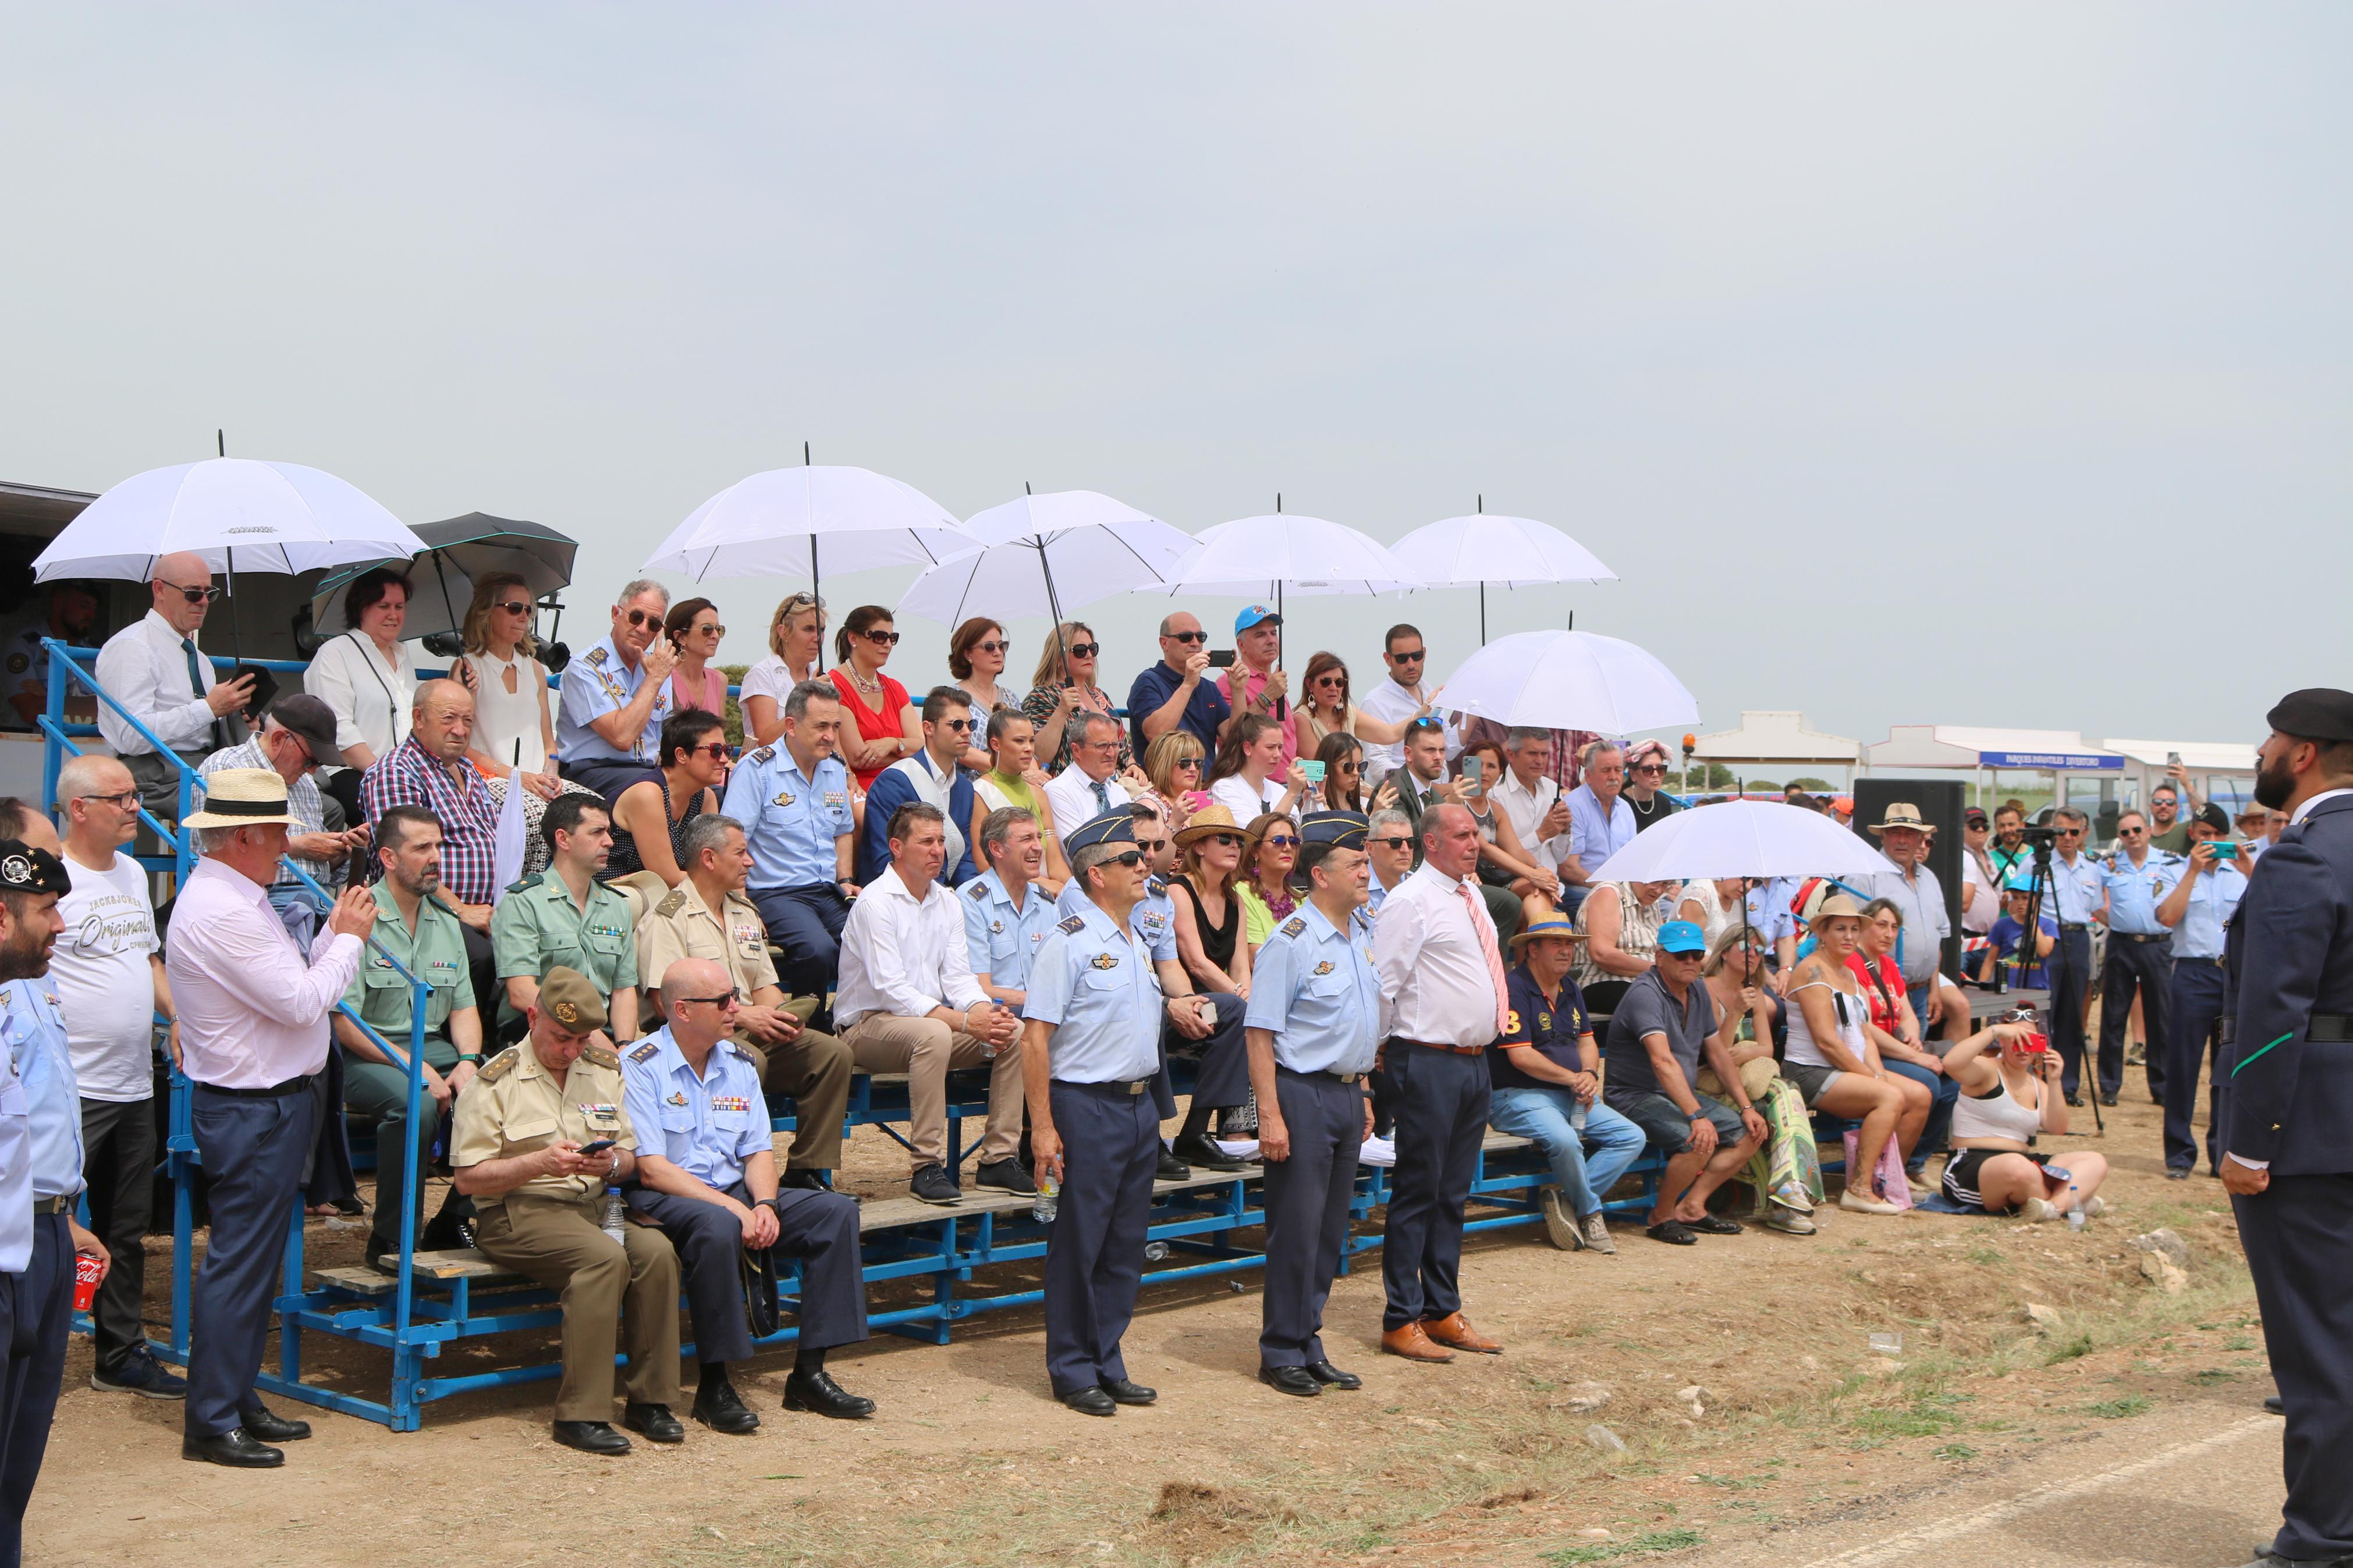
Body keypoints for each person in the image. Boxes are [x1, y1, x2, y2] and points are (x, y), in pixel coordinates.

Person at [166, 769, 377, 1467]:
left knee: (249, 1265)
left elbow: (290, 994)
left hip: (264, 1101)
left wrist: (332, 944)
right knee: (240, 1264)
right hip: (255, 1106)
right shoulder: (226, 909)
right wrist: (345, 939)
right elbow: (297, 1003)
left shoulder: (232, 896)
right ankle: (214, 1414)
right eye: (279, 832)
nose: (288, 844)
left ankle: (231, 1394)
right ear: (247, 836)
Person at [622, 957, 873, 1429]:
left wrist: (764, 1204)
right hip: (666, 1197)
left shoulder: (737, 1061)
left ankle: (809, 1374)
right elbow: (652, 1169)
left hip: (734, 1193)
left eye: (733, 996)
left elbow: (758, 1149)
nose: (734, 1008)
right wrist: (734, 1207)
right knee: (716, 1226)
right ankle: (715, 1384)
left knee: (835, 1212)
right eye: (721, 1001)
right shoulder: (640, 1066)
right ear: (682, 1009)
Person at [2219, 688, 2353, 1568]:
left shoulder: (2303, 855)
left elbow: (2272, 1010)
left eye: (2270, 738)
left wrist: (2247, 1138)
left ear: (2301, 752)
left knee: (2317, 1343)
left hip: (2312, 1128)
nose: (2261, 751)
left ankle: (2321, 1536)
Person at [451, 969, 680, 1456]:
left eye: (581, 1039)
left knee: (657, 1252)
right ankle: (582, 1412)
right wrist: (537, 1162)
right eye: (561, 1037)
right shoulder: (496, 1079)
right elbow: (468, 1179)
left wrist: (612, 1162)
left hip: (593, 1205)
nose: (571, 1050)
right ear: (534, 1016)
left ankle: (651, 1399)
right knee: (602, 1259)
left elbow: (631, 1155)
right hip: (518, 1211)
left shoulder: (601, 1069)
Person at [1021, 812, 1170, 1415]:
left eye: (1142, 857)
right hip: (1084, 1105)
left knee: (1124, 1244)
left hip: (1137, 1108)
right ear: (1095, 874)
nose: (1144, 867)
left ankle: (1106, 1357)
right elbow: (1035, 1040)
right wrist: (1042, 1128)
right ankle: (1072, 1367)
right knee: (1079, 1243)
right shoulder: (1070, 941)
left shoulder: (1136, 938)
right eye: (1130, 860)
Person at [50, 757, 184, 1397]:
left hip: (133, 1079)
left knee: (126, 1227)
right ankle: (32, 1342)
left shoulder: (132, 873)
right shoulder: (53, 877)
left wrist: (177, 1015)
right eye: (120, 798)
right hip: (71, 1085)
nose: (136, 807)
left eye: (135, 796)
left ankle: (120, 1350)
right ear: (79, 808)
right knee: (43, 1218)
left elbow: (148, 960)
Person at [0, 838, 113, 1552]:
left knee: (20, 1446)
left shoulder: (32, 986)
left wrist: (63, 1217)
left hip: (41, 1227)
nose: (61, 926)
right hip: (9, 1251)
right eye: (47, 910)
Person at [637, 814, 850, 1185]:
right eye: (741, 853)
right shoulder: (668, 917)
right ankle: (732, 1170)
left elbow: (765, 984)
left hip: (746, 1033)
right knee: (746, 1060)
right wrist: (746, 1017)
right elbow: (665, 1005)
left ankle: (806, 1170)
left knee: (832, 1054)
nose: (750, 861)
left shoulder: (743, 912)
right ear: (709, 858)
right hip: (695, 1044)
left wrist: (780, 1017)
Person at [1246, 810, 1380, 1395]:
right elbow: (1259, 1034)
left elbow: (1360, 1022)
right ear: (1320, 876)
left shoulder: (1362, 933)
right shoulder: (1290, 941)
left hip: (1348, 1093)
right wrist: (1270, 1114)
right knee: (1296, 1228)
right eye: (1355, 865)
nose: (1365, 874)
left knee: (1329, 1231)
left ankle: (1308, 1338)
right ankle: (1280, 1349)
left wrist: (1365, 1089)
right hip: (1300, 1094)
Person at [834, 803, 1027, 1204]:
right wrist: (962, 1021)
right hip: (866, 1028)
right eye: (926, 841)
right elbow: (891, 990)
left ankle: (998, 1159)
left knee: (1013, 1032)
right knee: (935, 1034)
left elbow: (958, 977)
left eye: (941, 840)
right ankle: (926, 1165)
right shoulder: (875, 901)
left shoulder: (947, 900)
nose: (937, 850)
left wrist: (983, 1012)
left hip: (927, 1025)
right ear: (896, 847)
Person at [1372, 803, 1506, 1363]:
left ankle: (1441, 1308)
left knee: (1453, 1192)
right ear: (1430, 843)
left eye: (1476, 834)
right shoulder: (1409, 900)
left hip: (1473, 1060)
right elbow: (1384, 983)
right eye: (1461, 835)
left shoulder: (1469, 894)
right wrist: (1370, 1056)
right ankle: (1401, 1317)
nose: (1474, 843)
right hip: (1426, 1057)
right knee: (1418, 1190)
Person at [333, 804, 488, 1265]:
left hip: (434, 1049)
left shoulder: (444, 919)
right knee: (416, 1102)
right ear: (388, 857)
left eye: (438, 845)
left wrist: (468, 1060)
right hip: (365, 1053)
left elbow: (463, 1006)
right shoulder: (357, 916)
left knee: (497, 1088)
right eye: (422, 847)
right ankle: (392, 1238)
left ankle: (453, 1218)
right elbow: (344, 1021)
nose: (436, 856)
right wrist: (412, 1064)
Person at [1485, 913, 1647, 1255]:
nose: (1566, 952)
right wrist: (1574, 1078)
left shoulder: (1571, 987)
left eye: (1570, 945)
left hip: (1569, 1094)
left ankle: (1564, 1200)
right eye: (1556, 944)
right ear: (1532, 950)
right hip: (1517, 1096)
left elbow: (1587, 1041)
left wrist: (1589, 1074)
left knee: (1631, 1136)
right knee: (1565, 1139)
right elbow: (1521, 1057)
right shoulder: (1514, 988)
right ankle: (1589, 1212)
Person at [1600, 920, 1766, 1244]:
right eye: (1680, 955)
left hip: (1676, 1093)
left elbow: (1718, 1054)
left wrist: (1746, 1106)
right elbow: (1662, 1062)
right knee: (1699, 1140)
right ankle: (1660, 1217)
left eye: (1695, 954)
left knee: (1752, 1131)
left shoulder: (1698, 989)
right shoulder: (1645, 993)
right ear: (1659, 957)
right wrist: (1696, 1115)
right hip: (1634, 1095)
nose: (1690, 961)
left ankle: (1693, 1206)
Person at [1777, 895, 1929, 1217]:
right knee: (1889, 1098)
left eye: (1854, 930)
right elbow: (1826, 1042)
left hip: (1842, 1067)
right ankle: (1858, 1188)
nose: (1849, 936)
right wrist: (1871, 1078)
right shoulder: (1812, 970)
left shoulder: (1850, 974)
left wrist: (1878, 1073)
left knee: (1919, 1095)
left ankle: (1883, 1177)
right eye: (1840, 929)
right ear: (1823, 933)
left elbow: (1865, 1035)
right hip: (1809, 1070)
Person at [359, 680, 502, 1011]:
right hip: (424, 908)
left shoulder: (468, 769)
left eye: (468, 721)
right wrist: (460, 910)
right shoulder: (397, 771)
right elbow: (407, 858)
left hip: (486, 909)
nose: (460, 729)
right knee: (482, 958)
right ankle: (460, 1049)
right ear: (419, 718)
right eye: (449, 718)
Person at [93, 550, 254, 841]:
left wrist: (240, 714)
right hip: (151, 768)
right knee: (242, 806)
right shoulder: (133, 647)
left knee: (293, 797)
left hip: (199, 765)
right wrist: (209, 708)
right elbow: (132, 735)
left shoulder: (199, 658)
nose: (203, 602)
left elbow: (207, 721)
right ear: (160, 590)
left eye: (210, 593)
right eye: (193, 593)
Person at [719, 678, 859, 1002]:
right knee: (818, 950)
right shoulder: (758, 770)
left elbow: (843, 831)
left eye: (835, 726)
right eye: (821, 726)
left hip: (827, 890)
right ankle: (810, 1030)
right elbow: (733, 840)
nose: (831, 736)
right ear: (792, 726)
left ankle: (853, 1023)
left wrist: (846, 878)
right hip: (775, 892)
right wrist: (741, 905)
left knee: (870, 939)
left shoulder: (835, 768)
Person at [197, 694, 365, 946]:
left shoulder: (305, 782)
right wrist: (299, 846)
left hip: (316, 902)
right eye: (310, 760)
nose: (311, 770)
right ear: (278, 739)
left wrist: (342, 851)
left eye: (317, 764)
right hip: (259, 902)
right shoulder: (228, 767)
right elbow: (208, 853)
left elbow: (322, 874)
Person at [1698, 926, 1820, 1233]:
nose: (1752, 954)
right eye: (1744, 947)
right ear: (1725, 952)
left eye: (1758, 950)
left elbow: (1767, 1047)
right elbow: (1716, 1051)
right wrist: (1736, 1012)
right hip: (1717, 1082)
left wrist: (1747, 1053)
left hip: (1753, 1082)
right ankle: (1787, 1193)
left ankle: (1785, 1194)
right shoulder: (1705, 991)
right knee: (1785, 1096)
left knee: (1781, 1095)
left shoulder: (1758, 995)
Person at [490, 794, 641, 1042]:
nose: (609, 842)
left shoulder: (617, 906)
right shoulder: (524, 902)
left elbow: (623, 990)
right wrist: (586, 1033)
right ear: (563, 839)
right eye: (597, 833)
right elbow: (521, 992)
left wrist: (624, 1046)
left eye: (608, 832)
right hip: (538, 1033)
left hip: (602, 1036)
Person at [1939, 1018, 2107, 1221]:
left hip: (2024, 1162)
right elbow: (1951, 1063)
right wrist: (1994, 1031)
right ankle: (2072, 1202)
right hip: (1973, 1162)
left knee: (2094, 1160)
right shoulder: (1987, 1070)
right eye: (2017, 1040)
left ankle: (2054, 1208)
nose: (2023, 1049)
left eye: (2031, 1041)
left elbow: (2058, 1128)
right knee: (2019, 1168)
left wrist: (2054, 1082)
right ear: (2003, 1041)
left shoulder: (2038, 1086)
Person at [2156, 806, 2247, 1179]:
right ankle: (2179, 1155)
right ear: (2191, 834)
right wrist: (2192, 872)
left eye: (2214, 834)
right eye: (2200, 833)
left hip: (2232, 976)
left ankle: (2220, 1152)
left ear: (2225, 837)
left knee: (2226, 1070)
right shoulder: (2173, 870)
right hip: (2192, 974)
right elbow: (2166, 917)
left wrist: (2249, 869)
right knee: (2183, 1066)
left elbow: (2271, 911)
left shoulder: (2241, 873)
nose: (2207, 841)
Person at [1852, 897, 1961, 1178]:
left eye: (1895, 927)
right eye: (1882, 925)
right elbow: (1865, 1026)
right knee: (1928, 1081)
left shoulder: (1888, 965)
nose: (1889, 933)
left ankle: (1914, 1162)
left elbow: (1908, 1014)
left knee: (1952, 1082)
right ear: (1865, 926)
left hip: (1895, 1047)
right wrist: (1914, 1055)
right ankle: (1890, 1169)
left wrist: (1912, 1037)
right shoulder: (1853, 964)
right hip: (1867, 1052)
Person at [303, 565, 416, 825]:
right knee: (402, 824)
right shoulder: (336, 653)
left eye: (399, 607)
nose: (393, 615)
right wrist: (386, 775)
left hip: (403, 775)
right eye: (384, 606)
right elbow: (340, 730)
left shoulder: (403, 655)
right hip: (350, 773)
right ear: (361, 608)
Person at [555, 578, 677, 806]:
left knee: (708, 792)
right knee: (652, 791)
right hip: (592, 771)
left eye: (653, 624)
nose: (642, 629)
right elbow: (621, 738)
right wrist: (653, 681)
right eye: (636, 617)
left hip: (645, 771)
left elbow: (665, 741)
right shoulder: (586, 667)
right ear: (615, 614)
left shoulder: (657, 668)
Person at [2098, 808, 2185, 1108]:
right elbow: (2093, 901)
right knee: (2113, 1016)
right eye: (2125, 833)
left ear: (2148, 831)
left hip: (2158, 946)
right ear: (2119, 838)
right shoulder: (2109, 865)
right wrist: (2115, 921)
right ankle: (2109, 1085)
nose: (2132, 837)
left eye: (2137, 830)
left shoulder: (2171, 863)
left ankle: (2160, 1086)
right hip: (2121, 945)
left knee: (2160, 1017)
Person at [860, 685, 980, 888]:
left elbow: (964, 861)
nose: (967, 732)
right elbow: (885, 861)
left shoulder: (965, 789)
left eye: (971, 724)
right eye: (957, 725)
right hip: (894, 899)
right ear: (928, 728)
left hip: (945, 900)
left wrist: (971, 899)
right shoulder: (894, 782)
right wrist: (941, 896)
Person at [455, 570, 561, 800]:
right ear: (487, 612)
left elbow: (548, 742)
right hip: (488, 782)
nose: (524, 617)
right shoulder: (467, 668)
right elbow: (458, 744)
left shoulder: (535, 669)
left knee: (593, 811)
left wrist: (550, 775)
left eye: (528, 609)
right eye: (514, 608)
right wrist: (515, 777)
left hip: (536, 783)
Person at [2031, 807, 2111, 1105]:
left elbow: (2096, 908)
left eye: (2074, 832)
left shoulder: (2092, 868)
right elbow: (2026, 906)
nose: (2067, 837)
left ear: (2084, 834)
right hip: (2048, 937)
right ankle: (2036, 1083)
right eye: (2061, 831)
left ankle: (2068, 1085)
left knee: (2072, 1015)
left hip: (2079, 937)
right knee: (2043, 1013)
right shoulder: (2036, 864)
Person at [1862, 803, 1957, 1034]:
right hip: (1881, 992)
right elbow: (1851, 938)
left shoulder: (1930, 879)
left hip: (1921, 992)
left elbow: (1936, 938)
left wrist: (1934, 987)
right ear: (1883, 837)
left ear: (1921, 839)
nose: (1903, 840)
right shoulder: (1867, 876)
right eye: (1896, 833)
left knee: (1915, 1058)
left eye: (1910, 834)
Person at [604, 708, 725, 890]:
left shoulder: (705, 797)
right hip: (618, 897)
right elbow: (667, 877)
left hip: (667, 896)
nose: (724, 759)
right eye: (715, 750)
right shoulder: (647, 794)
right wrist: (724, 880)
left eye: (726, 750)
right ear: (681, 755)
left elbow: (711, 863)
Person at [964, 807, 1060, 1014]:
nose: (1038, 847)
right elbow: (978, 989)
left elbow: (1061, 977)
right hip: (997, 1021)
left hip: (1046, 1019)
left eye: (1039, 837)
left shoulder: (1047, 903)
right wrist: (1043, 1001)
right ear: (997, 849)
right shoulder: (972, 902)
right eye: (1027, 839)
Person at [1458, 737, 1561, 916]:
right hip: (1472, 878)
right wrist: (1532, 874)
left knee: (1539, 890)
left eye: (1491, 766)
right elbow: (1485, 848)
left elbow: (1516, 850)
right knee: (1531, 889)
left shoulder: (1496, 809)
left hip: (1501, 878)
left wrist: (1540, 870)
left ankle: (1541, 941)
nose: (1483, 772)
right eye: (1479, 765)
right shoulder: (1459, 803)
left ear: (1500, 773)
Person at [970, 708, 1071, 891]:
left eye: (1031, 740)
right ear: (996, 744)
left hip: (1050, 890)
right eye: (1019, 741)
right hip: (1007, 891)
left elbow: (1055, 861)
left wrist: (1076, 889)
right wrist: (1039, 884)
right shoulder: (980, 792)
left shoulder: (1039, 794)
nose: (1029, 748)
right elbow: (984, 864)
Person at [828, 605, 920, 791]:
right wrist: (905, 753)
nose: (887, 644)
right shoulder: (834, 685)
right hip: (860, 789)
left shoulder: (895, 688)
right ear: (853, 638)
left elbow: (922, 746)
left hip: (904, 784)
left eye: (892, 638)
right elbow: (858, 758)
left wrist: (891, 743)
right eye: (879, 637)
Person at [1358, 624, 1457, 791]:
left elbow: (1450, 747)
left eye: (1416, 656)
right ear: (1388, 659)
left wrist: (1472, 715)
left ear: (1424, 653)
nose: (1411, 665)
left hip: (1435, 797)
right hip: (1399, 801)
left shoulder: (1428, 691)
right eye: (1402, 658)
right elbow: (1377, 764)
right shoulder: (1375, 701)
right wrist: (1419, 785)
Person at [1023, 621, 1126, 777]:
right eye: (1080, 651)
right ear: (1059, 658)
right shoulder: (1042, 696)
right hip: (1069, 784)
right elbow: (1037, 756)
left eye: (1093, 649)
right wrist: (1061, 711)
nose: (1089, 655)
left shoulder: (1100, 695)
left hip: (1115, 782)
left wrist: (1132, 765)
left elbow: (1123, 747)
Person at [1128, 610, 1231, 758]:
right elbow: (1157, 735)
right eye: (1186, 637)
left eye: (1201, 637)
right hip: (1164, 780)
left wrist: (1238, 689)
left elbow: (1234, 740)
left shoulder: (1209, 688)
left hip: (1207, 779)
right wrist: (1188, 685)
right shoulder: (1148, 682)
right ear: (1164, 643)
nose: (1196, 643)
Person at [1290, 650, 1426, 762]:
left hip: (1354, 788)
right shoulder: (1302, 719)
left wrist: (1424, 710)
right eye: (1326, 682)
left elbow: (1391, 735)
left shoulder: (1348, 713)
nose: (1333, 688)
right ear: (1310, 684)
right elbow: (1322, 771)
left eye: (1339, 682)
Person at [1571, 878, 1675, 1017]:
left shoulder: (1652, 902)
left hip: (1647, 981)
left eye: (1665, 885)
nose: (1659, 890)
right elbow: (1602, 954)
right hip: (1602, 980)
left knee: (1696, 992)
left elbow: (1664, 947)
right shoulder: (1609, 893)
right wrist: (1659, 969)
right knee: (1651, 1000)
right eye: (1654, 882)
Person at [2, 580, 97, 732]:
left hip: (86, 745)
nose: (91, 615)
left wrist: (48, 695)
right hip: (32, 747)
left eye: (94, 608)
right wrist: (86, 706)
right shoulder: (25, 645)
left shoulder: (96, 652)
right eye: (84, 606)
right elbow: (31, 711)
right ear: (58, 603)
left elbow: (110, 710)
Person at [739, 591, 825, 749]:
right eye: (808, 629)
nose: (818, 638)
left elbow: (835, 742)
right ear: (783, 631)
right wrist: (809, 697)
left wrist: (847, 773)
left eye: (822, 630)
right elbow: (765, 740)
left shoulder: (821, 678)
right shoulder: (762, 674)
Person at [1045, 712, 1145, 844]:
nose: (1111, 753)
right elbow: (1078, 849)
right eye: (1102, 746)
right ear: (1077, 750)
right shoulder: (1058, 791)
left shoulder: (1120, 792)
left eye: (1115, 745)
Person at [1561, 741, 1635, 913]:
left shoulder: (1625, 809)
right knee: (1610, 909)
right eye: (1606, 770)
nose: (1613, 777)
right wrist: (1611, 889)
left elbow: (1633, 860)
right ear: (1588, 775)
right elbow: (1568, 869)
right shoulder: (1573, 806)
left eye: (1618, 770)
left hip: (1622, 890)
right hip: (1584, 888)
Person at [1493, 727, 1572, 881]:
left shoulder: (1552, 789)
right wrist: (1542, 835)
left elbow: (1561, 857)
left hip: (1555, 884)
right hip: (1517, 884)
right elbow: (1499, 860)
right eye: (1532, 754)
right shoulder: (1496, 794)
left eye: (1544, 754)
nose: (1540, 761)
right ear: (1511, 755)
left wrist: (1565, 831)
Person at [1206, 712, 1309, 825]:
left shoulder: (1280, 791)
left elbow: (1297, 833)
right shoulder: (1224, 788)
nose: (1278, 754)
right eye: (1270, 747)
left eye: (1280, 747)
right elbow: (1255, 836)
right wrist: (1292, 794)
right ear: (1247, 748)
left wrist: (1314, 804)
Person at [950, 618, 1023, 771]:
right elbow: (963, 752)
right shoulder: (953, 698)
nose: (998, 652)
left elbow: (1026, 744)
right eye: (989, 647)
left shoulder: (1011, 698)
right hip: (974, 789)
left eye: (1002, 646)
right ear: (968, 654)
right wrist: (1012, 770)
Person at [1979, 870, 2060, 987]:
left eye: (2025, 898)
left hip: (2037, 989)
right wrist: (1982, 985)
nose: (2020, 903)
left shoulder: (2048, 925)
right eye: (2016, 898)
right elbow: (1990, 960)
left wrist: (2032, 921)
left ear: (2037, 898)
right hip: (2008, 987)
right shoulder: (2002, 925)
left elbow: (2044, 951)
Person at [1234, 812, 1302, 951]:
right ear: (1255, 850)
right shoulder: (1240, 894)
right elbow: (1256, 958)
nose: (1288, 848)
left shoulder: (1303, 899)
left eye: (1294, 842)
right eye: (1278, 841)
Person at [659, 596, 729, 719]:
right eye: (707, 629)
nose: (716, 636)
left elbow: (719, 734)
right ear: (681, 637)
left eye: (719, 629)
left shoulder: (720, 680)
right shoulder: (663, 678)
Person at [1141, 730, 1209, 826]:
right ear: (1164, 765)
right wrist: (1175, 822)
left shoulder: (1199, 801)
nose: (1193, 769)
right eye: (1185, 763)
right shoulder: (1148, 805)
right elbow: (1157, 842)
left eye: (1198, 763)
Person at [1620, 739, 1682, 833]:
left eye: (1660, 769)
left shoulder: (1664, 803)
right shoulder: (1618, 803)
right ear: (1633, 775)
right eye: (1648, 770)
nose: (1656, 774)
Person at [1958, 806, 2001, 937]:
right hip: (1965, 935)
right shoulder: (1959, 857)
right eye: (1974, 826)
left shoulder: (1991, 858)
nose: (1981, 830)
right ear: (1962, 829)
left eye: (1985, 826)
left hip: (1990, 937)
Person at [1365, 808, 1415, 915]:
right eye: (1395, 843)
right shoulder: (1355, 887)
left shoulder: (1418, 885)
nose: (1405, 850)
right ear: (1370, 848)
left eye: (1411, 842)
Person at [1309, 731, 1367, 814]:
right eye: (1348, 766)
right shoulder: (1316, 806)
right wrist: (1324, 808)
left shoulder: (1362, 812)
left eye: (1360, 766)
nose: (1356, 773)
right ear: (1329, 766)